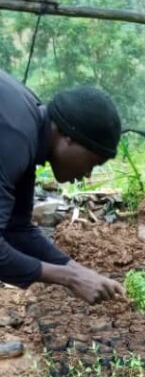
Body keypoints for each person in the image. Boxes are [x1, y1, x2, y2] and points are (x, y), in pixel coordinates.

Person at [0, 74, 125, 359]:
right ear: (69, 137)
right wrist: (70, 278)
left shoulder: (30, 128)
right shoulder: (15, 136)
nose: (88, 174)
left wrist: (77, 269)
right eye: (93, 161)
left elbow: (17, 228)